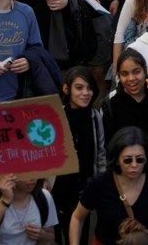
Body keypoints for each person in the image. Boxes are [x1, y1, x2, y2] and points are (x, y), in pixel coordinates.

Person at [69, 126, 148, 245]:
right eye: (127, 160)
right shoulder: (101, 183)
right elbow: (77, 217)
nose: (134, 165)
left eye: (140, 159)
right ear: (117, 160)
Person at [54, 66, 106, 245]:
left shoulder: (95, 116)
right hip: (59, 188)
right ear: (66, 89)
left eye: (90, 88)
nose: (86, 93)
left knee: (80, 235)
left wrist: (100, 182)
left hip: (83, 188)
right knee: (57, 234)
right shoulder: (57, 115)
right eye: (79, 88)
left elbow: (100, 153)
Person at [0, 174, 58, 244]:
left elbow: (51, 237)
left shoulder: (44, 197)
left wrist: (42, 235)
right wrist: (5, 200)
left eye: (34, 171)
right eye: (26, 173)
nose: (32, 179)